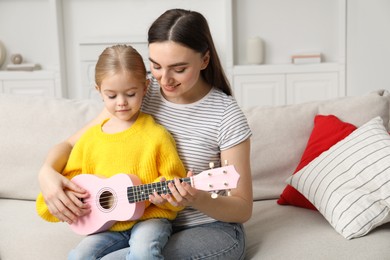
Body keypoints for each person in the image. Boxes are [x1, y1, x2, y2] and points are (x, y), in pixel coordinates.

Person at [38, 9, 253, 260]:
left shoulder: (226, 115)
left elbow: (242, 208)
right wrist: (46, 173)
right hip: (137, 223)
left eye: (179, 68)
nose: (165, 79)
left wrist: (196, 199)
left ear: (204, 60)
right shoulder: (136, 94)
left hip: (209, 229)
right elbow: (70, 144)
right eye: (156, 66)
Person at [36, 44, 186, 259]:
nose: (122, 103)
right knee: (78, 256)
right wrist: (71, 199)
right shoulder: (90, 139)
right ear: (98, 91)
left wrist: (165, 196)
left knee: (144, 250)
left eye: (131, 93)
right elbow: (73, 181)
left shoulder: (157, 136)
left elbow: (174, 178)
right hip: (106, 226)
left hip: (150, 219)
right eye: (112, 95)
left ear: (145, 87)